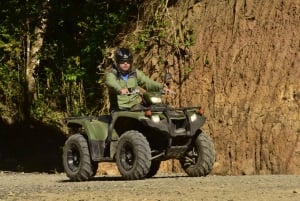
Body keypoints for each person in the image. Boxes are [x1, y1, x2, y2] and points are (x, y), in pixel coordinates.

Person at [105, 47, 171, 113]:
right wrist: (120, 89)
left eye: (128, 61)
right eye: (122, 61)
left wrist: (161, 87)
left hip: (134, 106)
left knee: (150, 114)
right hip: (119, 108)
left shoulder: (134, 73)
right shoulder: (112, 74)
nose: (125, 64)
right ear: (117, 63)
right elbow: (110, 82)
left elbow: (147, 82)